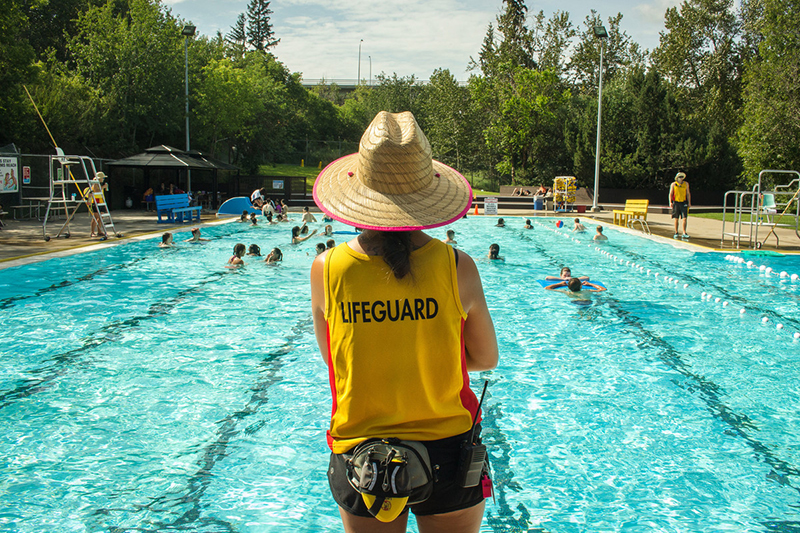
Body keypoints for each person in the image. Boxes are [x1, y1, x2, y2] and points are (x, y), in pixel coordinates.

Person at [310, 111, 498, 532]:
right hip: (448, 451)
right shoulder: (457, 266)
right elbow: (486, 357)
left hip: (361, 452)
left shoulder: (326, 268)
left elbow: (335, 363)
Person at [669, 171, 691, 239]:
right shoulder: (673, 184)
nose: (681, 178)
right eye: (680, 177)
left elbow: (688, 193)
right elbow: (671, 193)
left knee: (684, 218)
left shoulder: (686, 184)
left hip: (683, 202)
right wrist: (670, 202)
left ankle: (684, 232)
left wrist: (689, 202)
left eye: (682, 177)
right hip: (676, 202)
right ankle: (676, 232)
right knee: (676, 218)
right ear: (677, 178)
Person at [87, 171, 109, 237]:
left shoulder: (99, 184)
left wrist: (105, 187)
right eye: (102, 178)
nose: (103, 179)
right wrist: (104, 186)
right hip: (96, 202)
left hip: (101, 202)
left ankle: (99, 231)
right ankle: (92, 232)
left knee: (100, 218)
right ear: (99, 178)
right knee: (95, 218)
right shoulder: (95, 184)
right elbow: (97, 190)